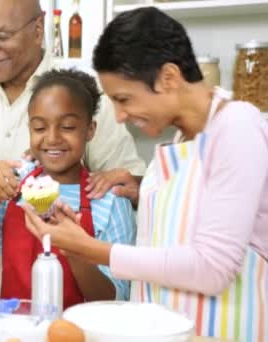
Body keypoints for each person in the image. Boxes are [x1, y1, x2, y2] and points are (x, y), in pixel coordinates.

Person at [23, 7, 268, 340]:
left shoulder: (238, 126)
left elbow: (212, 269)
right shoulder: (181, 142)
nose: (120, 116)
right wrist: (143, 190)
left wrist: (89, 248)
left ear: (168, 78)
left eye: (124, 99)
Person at [0, 0, 145, 300]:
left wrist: (77, 243)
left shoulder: (87, 96)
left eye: (0, 36)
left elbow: (133, 191)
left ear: (38, 29)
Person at [0, 69, 136, 305]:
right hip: (14, 331)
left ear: (90, 130)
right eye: (40, 128)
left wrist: (75, 249)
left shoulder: (109, 201)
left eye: (68, 127)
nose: (52, 139)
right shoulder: (13, 187)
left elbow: (116, 299)